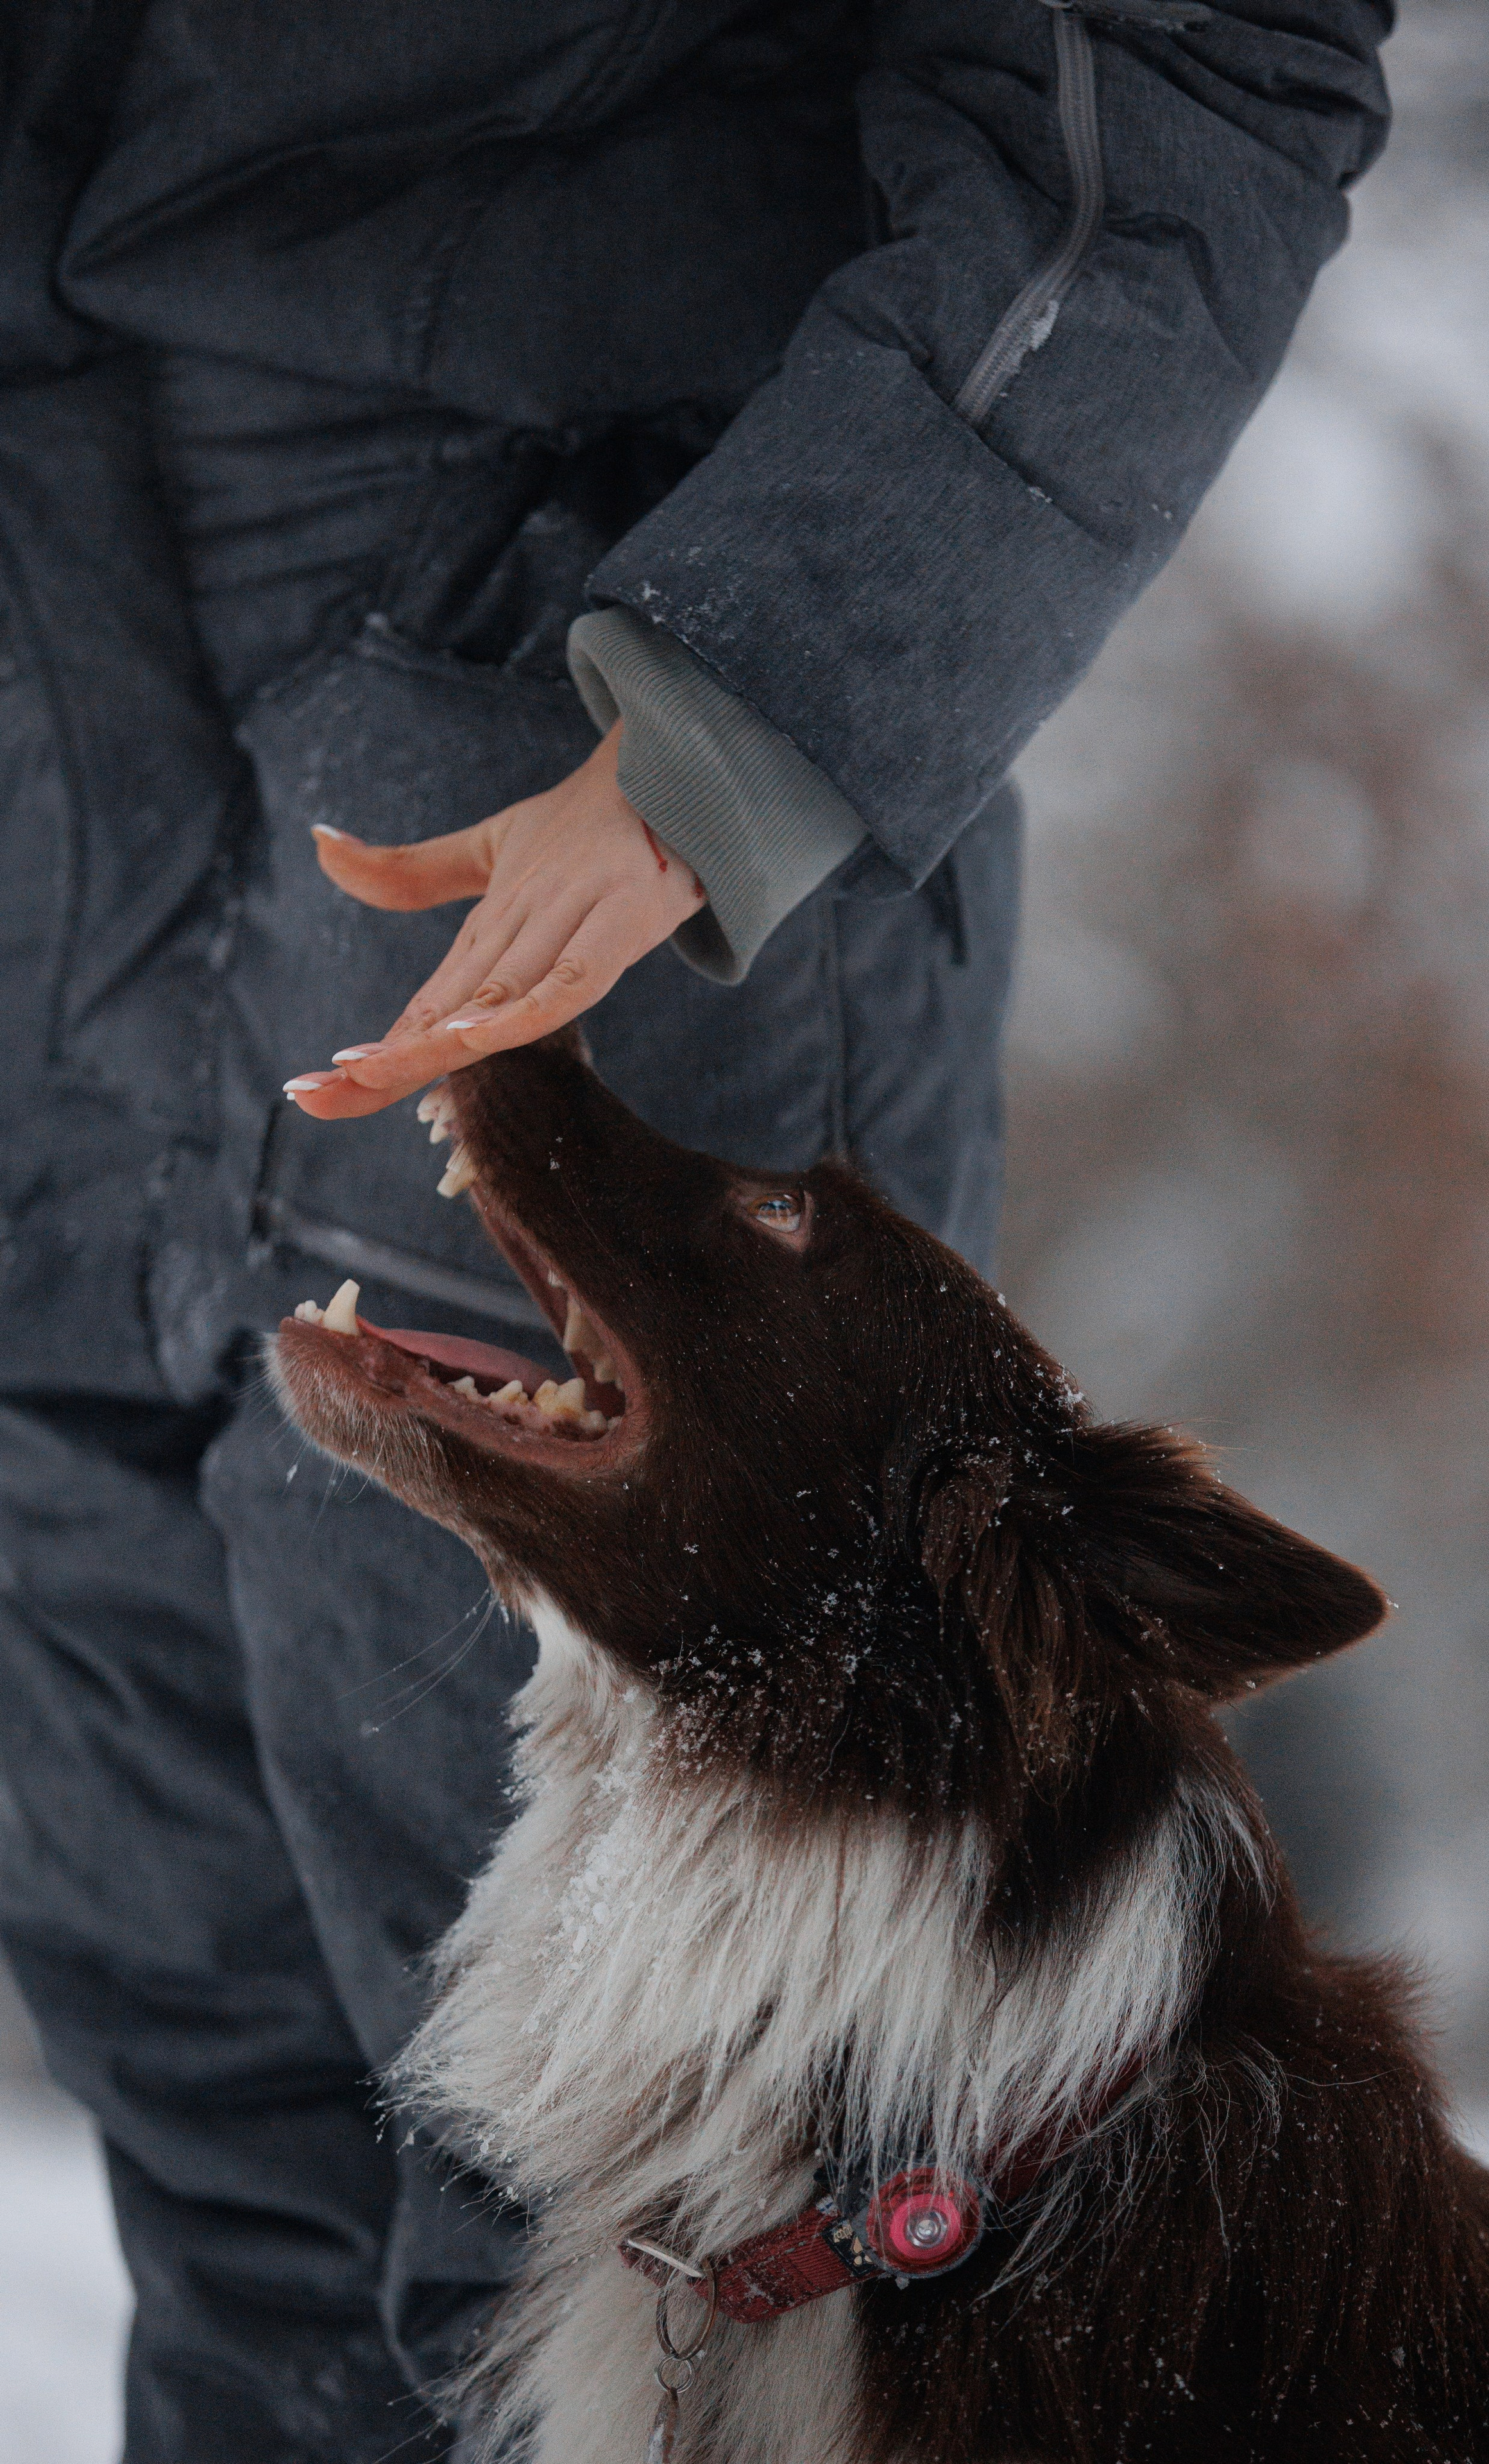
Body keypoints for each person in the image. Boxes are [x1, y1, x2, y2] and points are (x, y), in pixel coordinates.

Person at [0, 3, 1391, 2455]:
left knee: (636, 2248)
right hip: (45, 792)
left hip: (570, 740)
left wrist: (747, 713)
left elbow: (1195, 55)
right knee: (229, 2170)